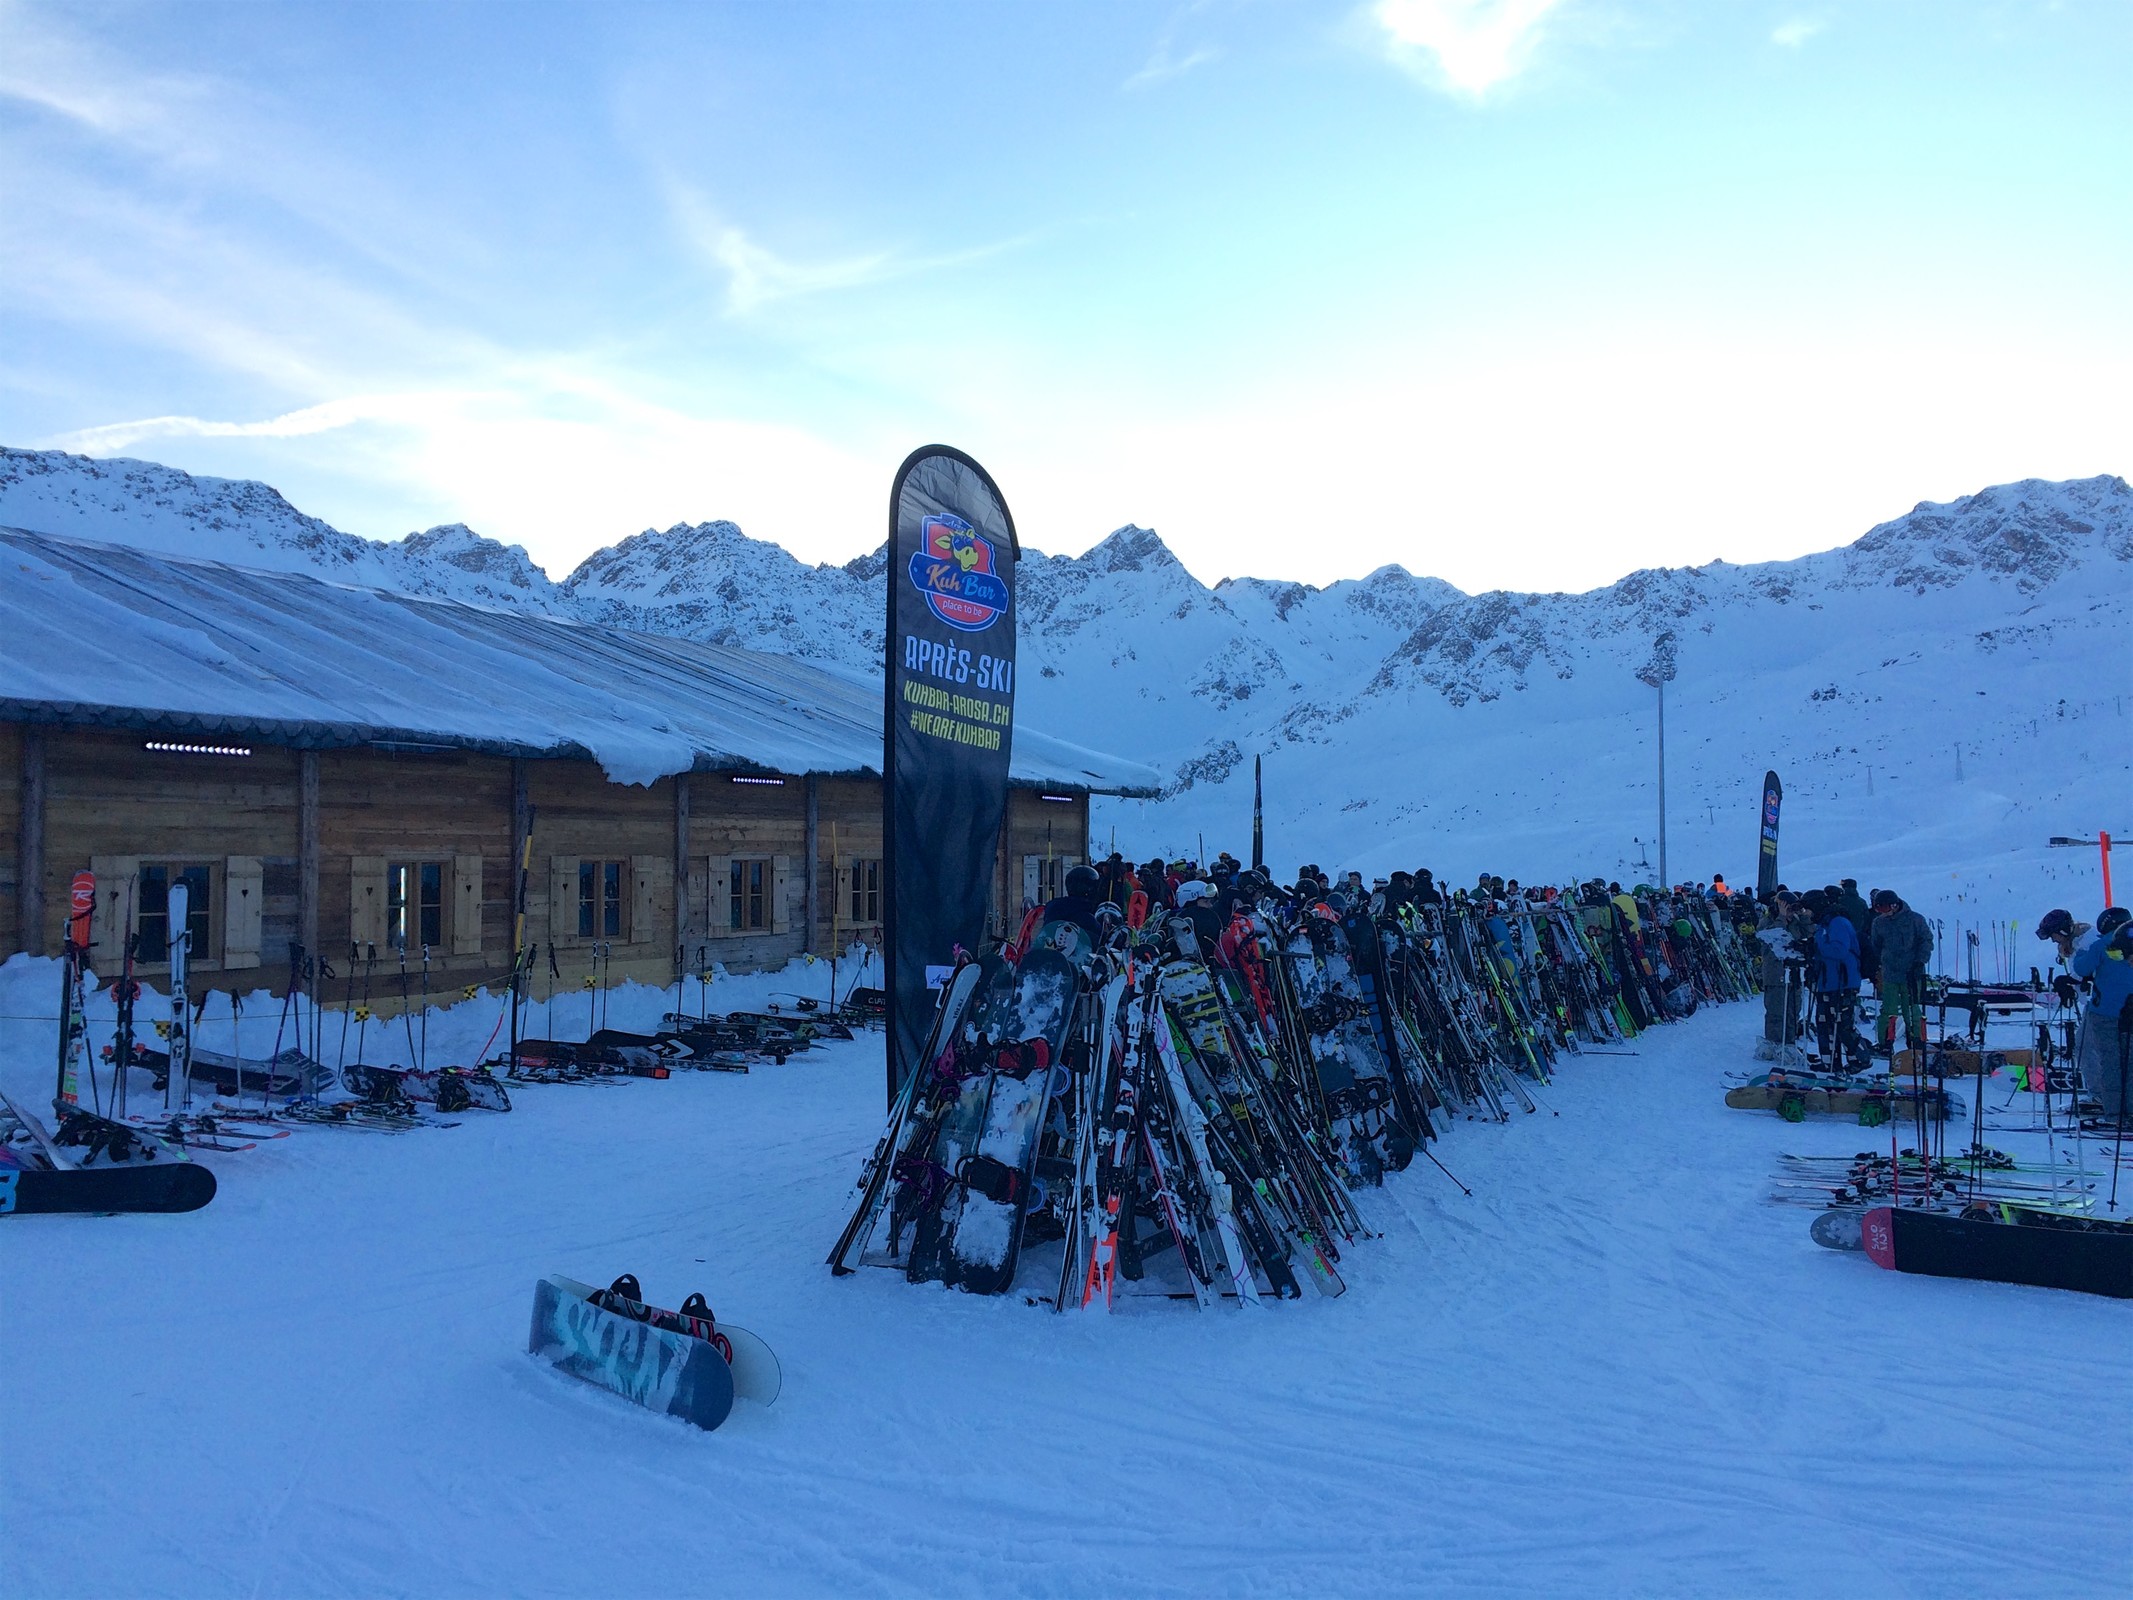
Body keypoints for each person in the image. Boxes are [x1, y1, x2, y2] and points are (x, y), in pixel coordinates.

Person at [2070, 908, 2133, 1123]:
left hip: (2105, 1013)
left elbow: (2081, 968)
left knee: (2111, 1063)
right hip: (2130, 1012)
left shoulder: (2103, 944)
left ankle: (2115, 1114)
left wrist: (2077, 952)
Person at [1867, 890, 1933, 1056]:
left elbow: (1926, 941)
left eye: (1885, 909)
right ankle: (1885, 1043)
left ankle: (1917, 1042)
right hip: (1890, 974)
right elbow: (1876, 946)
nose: (1883, 914)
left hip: (1911, 973)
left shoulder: (1915, 920)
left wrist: (1920, 962)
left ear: (1894, 905)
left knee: (1912, 1009)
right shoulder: (1879, 923)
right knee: (1888, 1010)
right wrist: (1878, 966)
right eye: (1879, 911)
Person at [1809, 897, 1863, 1064]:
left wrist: (1817, 948)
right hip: (1827, 982)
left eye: (1807, 909)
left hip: (1842, 982)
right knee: (1825, 1025)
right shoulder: (1823, 925)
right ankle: (1830, 1063)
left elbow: (1839, 950)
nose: (1805, 913)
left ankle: (1860, 1059)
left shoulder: (1838, 923)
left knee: (1842, 1025)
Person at [1041, 864, 1104, 941]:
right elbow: (1102, 941)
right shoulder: (1086, 918)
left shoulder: (1053, 910)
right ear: (1089, 888)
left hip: (1048, 951)